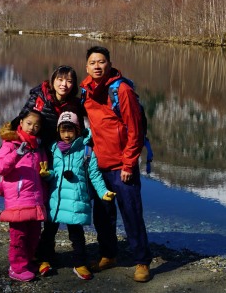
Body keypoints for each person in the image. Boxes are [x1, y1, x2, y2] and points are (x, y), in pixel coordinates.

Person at [0, 65, 87, 272]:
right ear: (53, 79)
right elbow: (24, 120)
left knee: (59, 203)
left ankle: (53, 254)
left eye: (69, 81)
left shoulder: (75, 103)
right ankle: (43, 254)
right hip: (39, 155)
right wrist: (9, 142)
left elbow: (81, 129)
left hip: (62, 155)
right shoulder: (39, 96)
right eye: (60, 79)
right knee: (45, 206)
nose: (64, 84)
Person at [80, 45, 153, 283]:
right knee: (102, 216)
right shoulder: (85, 91)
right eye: (93, 62)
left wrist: (129, 164)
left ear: (109, 64)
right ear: (87, 67)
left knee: (131, 214)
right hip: (98, 167)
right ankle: (108, 255)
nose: (97, 66)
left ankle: (142, 261)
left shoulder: (121, 90)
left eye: (101, 62)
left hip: (122, 166)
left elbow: (135, 130)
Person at [36, 111, 116, 280]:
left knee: (77, 235)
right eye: (63, 130)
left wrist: (103, 192)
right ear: (58, 131)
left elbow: (94, 175)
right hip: (56, 199)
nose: (66, 135)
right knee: (48, 232)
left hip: (75, 200)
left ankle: (80, 263)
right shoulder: (53, 149)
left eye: (70, 130)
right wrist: (46, 174)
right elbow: (52, 173)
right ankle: (44, 260)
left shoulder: (86, 151)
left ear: (78, 130)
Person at [0, 110, 48, 282]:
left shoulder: (38, 147)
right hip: (17, 199)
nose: (32, 128)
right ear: (21, 123)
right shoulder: (11, 144)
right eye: (29, 123)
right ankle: (16, 268)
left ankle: (27, 262)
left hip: (36, 199)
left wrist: (46, 178)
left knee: (34, 234)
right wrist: (16, 155)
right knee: (18, 236)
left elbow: (41, 172)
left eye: (36, 125)